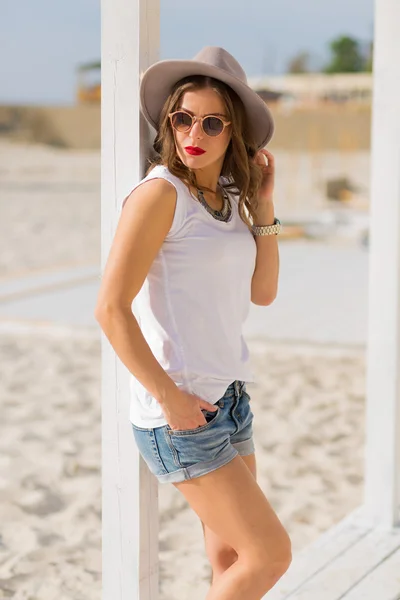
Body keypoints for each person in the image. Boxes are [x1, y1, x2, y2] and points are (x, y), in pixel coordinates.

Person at [95, 46, 291, 600]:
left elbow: (264, 292)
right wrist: (170, 397)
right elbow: (110, 308)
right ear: (167, 123)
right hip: (181, 414)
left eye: (211, 121)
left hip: (229, 399)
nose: (193, 132)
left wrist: (265, 208)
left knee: (231, 559)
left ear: (235, 133)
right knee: (270, 555)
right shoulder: (161, 194)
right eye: (182, 118)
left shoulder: (228, 198)